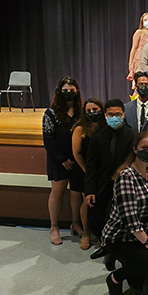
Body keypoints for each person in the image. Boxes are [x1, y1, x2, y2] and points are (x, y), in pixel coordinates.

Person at [102, 132, 148, 295]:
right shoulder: (126, 177)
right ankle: (116, 277)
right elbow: (131, 220)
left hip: (142, 233)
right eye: (144, 148)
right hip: (121, 237)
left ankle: (136, 275)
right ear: (135, 150)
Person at [85, 99, 135, 264]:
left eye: (118, 115)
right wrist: (90, 191)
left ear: (124, 115)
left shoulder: (132, 136)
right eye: (111, 115)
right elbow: (91, 166)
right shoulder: (97, 137)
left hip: (124, 185)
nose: (115, 118)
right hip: (102, 185)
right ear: (105, 116)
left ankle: (115, 251)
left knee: (120, 221)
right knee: (94, 218)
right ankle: (108, 247)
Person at [43, 76, 83, 245]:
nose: (68, 93)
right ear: (59, 92)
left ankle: (75, 223)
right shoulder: (51, 112)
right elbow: (48, 138)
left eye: (71, 91)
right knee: (57, 192)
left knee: (76, 193)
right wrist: (62, 159)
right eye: (65, 91)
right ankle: (54, 227)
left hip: (77, 160)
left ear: (77, 91)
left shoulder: (81, 111)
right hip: (58, 160)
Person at [72, 98, 106, 250]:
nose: (92, 113)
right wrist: (87, 171)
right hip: (84, 170)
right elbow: (76, 153)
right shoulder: (80, 128)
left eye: (95, 109)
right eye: (89, 110)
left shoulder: (105, 126)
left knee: (102, 203)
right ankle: (86, 234)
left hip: (101, 170)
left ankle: (100, 234)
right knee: (87, 202)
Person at [127, 12, 148, 83]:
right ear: (142, 22)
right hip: (139, 61)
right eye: (145, 20)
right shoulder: (139, 32)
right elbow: (134, 48)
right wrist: (130, 64)